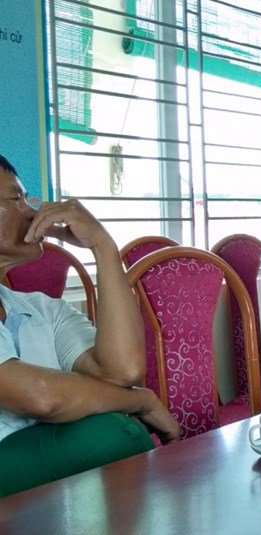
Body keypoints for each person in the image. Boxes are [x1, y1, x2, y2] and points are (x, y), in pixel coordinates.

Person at [0, 154, 180, 497]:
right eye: (16, 198)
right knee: (108, 434)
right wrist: (139, 401)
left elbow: (122, 370)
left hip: (45, 494)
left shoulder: (41, 309)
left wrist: (103, 247)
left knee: (113, 429)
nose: (31, 211)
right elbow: (41, 397)